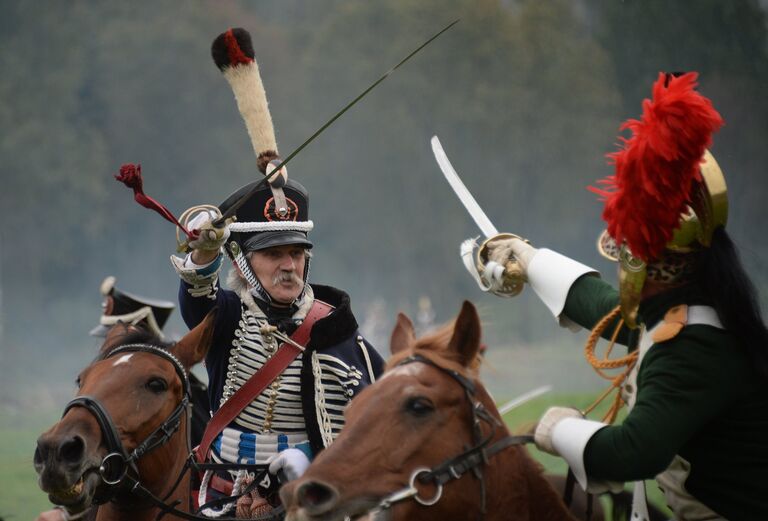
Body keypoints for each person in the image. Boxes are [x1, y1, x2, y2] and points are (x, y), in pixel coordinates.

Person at [468, 72, 768, 520]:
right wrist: (528, 260)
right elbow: (610, 311)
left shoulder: (692, 347)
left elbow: (634, 453)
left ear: (645, 264)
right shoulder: (691, 317)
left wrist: (558, 429)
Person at [169, 28, 383, 517]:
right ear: (243, 260)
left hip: (305, 499)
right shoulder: (226, 316)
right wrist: (204, 253)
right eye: (273, 254)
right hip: (222, 491)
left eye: (297, 252)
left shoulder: (337, 328)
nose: (289, 264)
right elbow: (195, 300)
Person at [36, 276, 210, 521]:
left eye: (114, 336)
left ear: (140, 333)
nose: (105, 348)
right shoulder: (102, 384)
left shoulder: (186, 393)